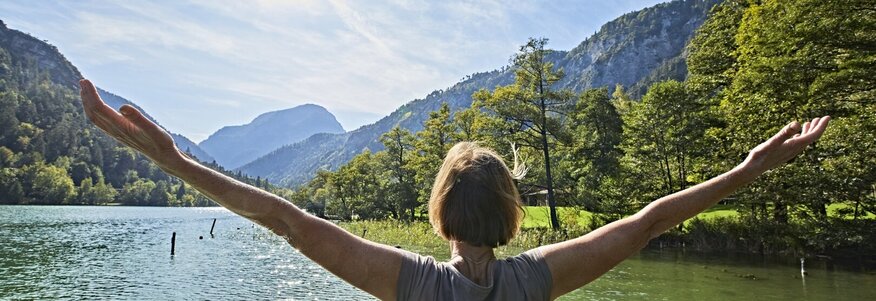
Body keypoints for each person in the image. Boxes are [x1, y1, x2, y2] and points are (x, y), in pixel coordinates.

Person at [78, 79, 831, 300]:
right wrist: (749, 169)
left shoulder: (408, 282)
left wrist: (177, 163)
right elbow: (646, 221)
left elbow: (289, 220)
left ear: (438, 212)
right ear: (512, 213)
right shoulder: (538, 279)